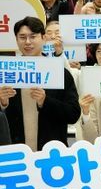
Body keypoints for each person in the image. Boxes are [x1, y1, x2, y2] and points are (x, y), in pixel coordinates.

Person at [0, 17, 80, 150]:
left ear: (43, 38)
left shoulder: (59, 72)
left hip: (50, 153)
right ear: (16, 40)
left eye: (33, 37)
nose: (27, 42)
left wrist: (45, 101)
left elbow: (73, 114)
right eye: (22, 37)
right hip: (16, 153)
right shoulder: (7, 72)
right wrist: (2, 103)